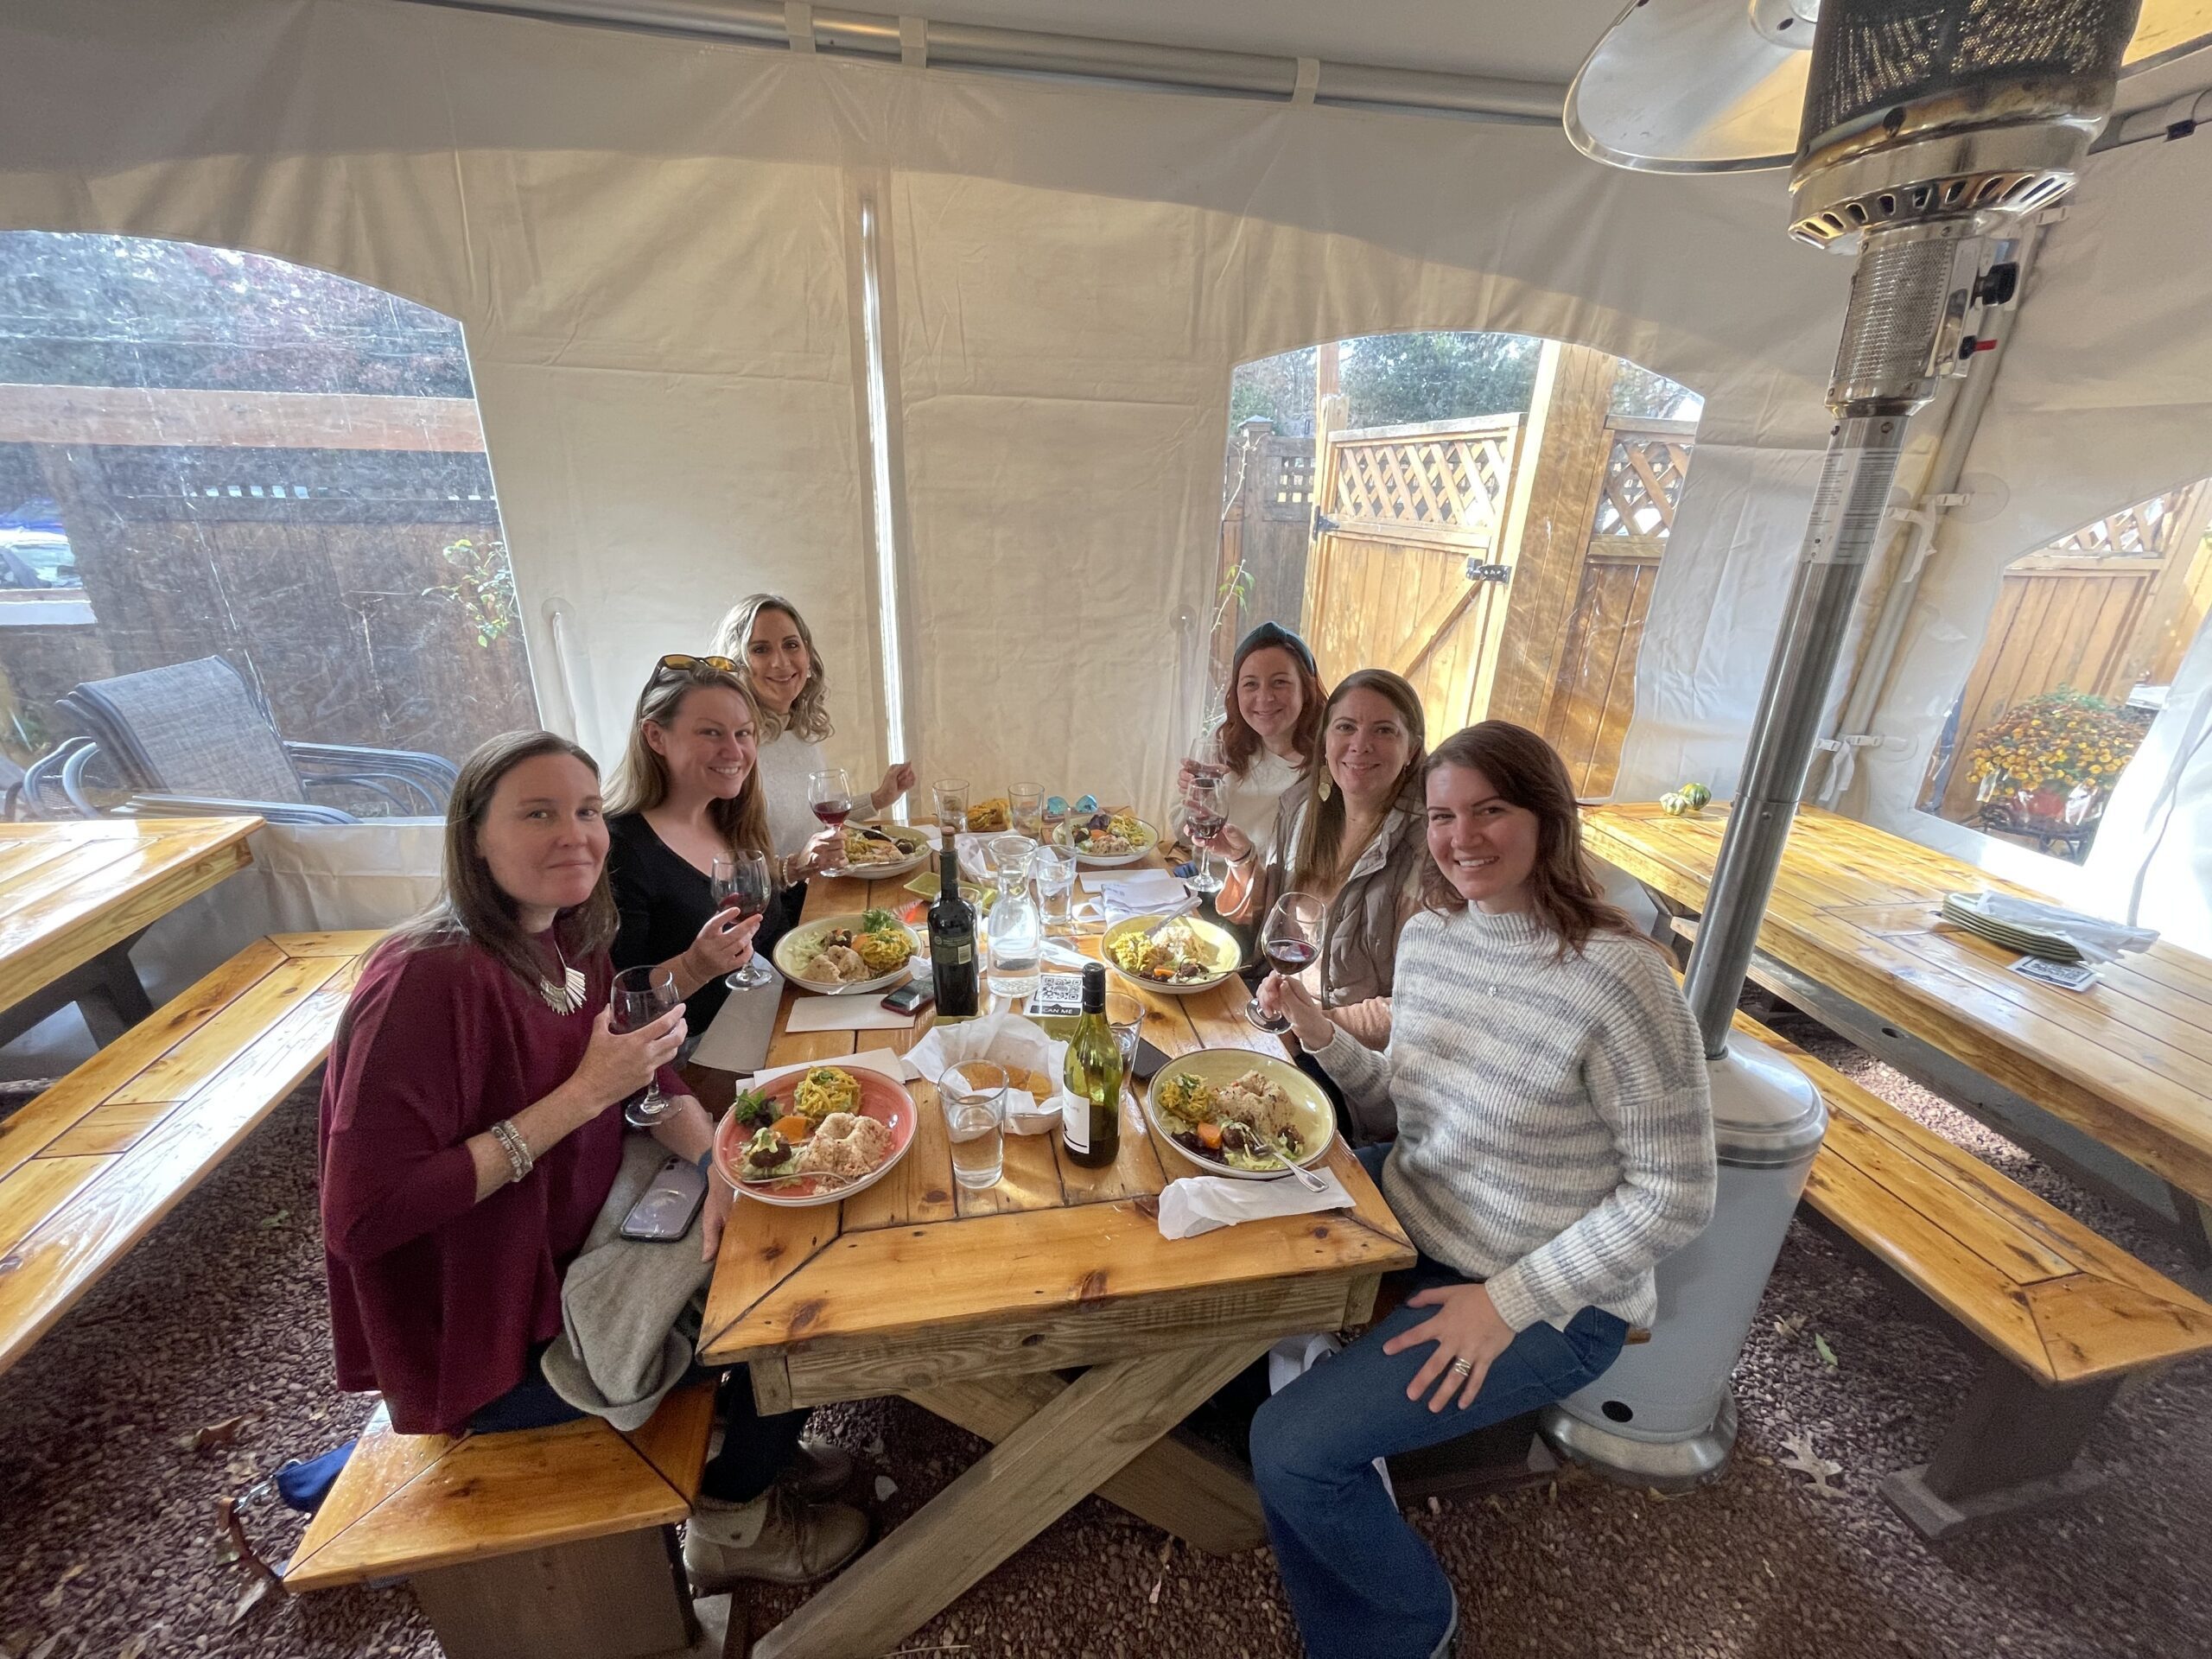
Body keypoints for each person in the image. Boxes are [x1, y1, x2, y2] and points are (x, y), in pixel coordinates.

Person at [318, 729, 867, 1586]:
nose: (573, 833)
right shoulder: (425, 981)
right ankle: (733, 1521)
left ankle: (745, 1448)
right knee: (773, 1319)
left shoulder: (571, 935)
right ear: (473, 838)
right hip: (499, 1334)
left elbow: (644, 1077)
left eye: (583, 810)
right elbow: (361, 1219)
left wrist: (721, 1169)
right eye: (538, 813)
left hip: (596, 1241)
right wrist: (580, 1096)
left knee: (776, 1218)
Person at [1247, 722, 1718, 1659]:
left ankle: (1408, 1627)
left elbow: (1677, 1192)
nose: (1461, 837)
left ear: (1546, 817)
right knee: (1231, 1257)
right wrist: (1317, 1032)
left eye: (1490, 811)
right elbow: (1401, 1104)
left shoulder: (1620, 978)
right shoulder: (1432, 937)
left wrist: (1506, 1305)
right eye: (1442, 816)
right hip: (1416, 1206)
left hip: (1547, 1295)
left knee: (1291, 1449)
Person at [1201, 668, 1428, 1051]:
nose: (1360, 744)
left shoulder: (1427, 849)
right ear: (1324, 741)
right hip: (1273, 1006)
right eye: (1345, 727)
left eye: (1384, 730)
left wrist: (1310, 1024)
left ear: (1413, 750)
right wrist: (1241, 858)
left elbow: (1413, 1007)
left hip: (1345, 1057)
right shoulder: (1304, 809)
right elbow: (1272, 922)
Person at [603, 656, 820, 1038]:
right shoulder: (621, 849)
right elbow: (621, 1006)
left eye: (744, 733)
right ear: (656, 737)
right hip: (695, 1062)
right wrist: (693, 967)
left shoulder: (733, 817)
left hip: (779, 1023)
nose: (735, 752)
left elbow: (771, 933)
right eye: (710, 733)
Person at [714, 594, 915, 938]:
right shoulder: (732, 747)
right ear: (736, 661)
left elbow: (820, 817)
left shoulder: (796, 728)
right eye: (760, 649)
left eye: (791, 645)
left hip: (815, 894)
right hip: (766, 924)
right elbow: (723, 870)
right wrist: (793, 867)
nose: (781, 662)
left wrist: (879, 799)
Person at [1181, 621, 1325, 855]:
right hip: (1214, 883)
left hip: (1278, 889)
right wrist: (1200, 798)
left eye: (1280, 682)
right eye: (1251, 684)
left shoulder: (1332, 759)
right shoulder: (1224, 738)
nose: (1265, 697)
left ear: (1306, 688)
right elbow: (1184, 837)